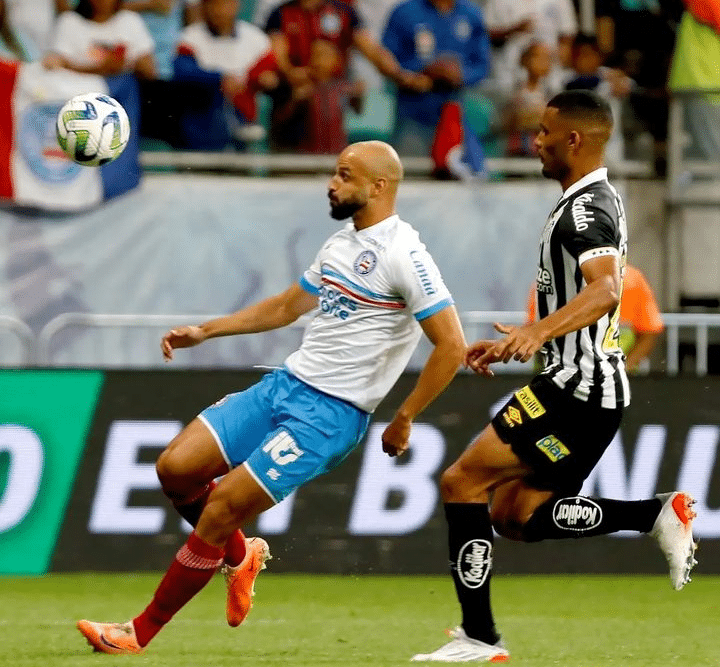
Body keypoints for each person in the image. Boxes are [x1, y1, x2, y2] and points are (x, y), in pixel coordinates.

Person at [75, 140, 467, 655]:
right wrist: (206, 331)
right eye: (333, 173)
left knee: (218, 512)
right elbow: (287, 305)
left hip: (329, 417)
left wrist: (406, 416)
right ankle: (241, 558)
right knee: (175, 468)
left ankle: (138, 632)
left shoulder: (406, 256)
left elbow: (452, 344)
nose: (332, 183)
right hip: (285, 385)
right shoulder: (340, 244)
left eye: (345, 176)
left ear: (379, 186)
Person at [411, 90, 697, 663]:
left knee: (460, 482)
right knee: (515, 517)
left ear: (574, 139)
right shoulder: (591, 199)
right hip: (585, 390)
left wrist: (538, 336)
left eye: (544, 133)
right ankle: (652, 514)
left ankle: (480, 637)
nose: (534, 141)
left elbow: (606, 290)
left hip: (575, 392)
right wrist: (525, 335)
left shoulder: (584, 209)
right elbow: (586, 296)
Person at [264, 0, 430, 150]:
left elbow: (372, 51)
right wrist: (303, 75)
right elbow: (279, 61)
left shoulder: (344, 13)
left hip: (332, 107)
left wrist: (400, 75)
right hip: (290, 112)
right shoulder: (281, 14)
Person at [381, 0, 491, 157]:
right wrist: (423, 69)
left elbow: (482, 65)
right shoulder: (405, 12)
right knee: (410, 174)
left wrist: (460, 73)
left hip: (456, 117)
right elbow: (387, 60)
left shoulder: (471, 14)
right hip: (413, 116)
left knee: (455, 172)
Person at [172, 0, 280, 149]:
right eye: (213, 4)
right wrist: (220, 79)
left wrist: (263, 79)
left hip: (243, 111)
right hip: (203, 115)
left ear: (236, 5)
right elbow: (183, 71)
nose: (218, 11)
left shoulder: (255, 37)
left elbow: (269, 74)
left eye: (224, 4)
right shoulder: (191, 36)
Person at [528, 262, 664, 373]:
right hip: (558, 380)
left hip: (612, 385)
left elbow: (649, 331)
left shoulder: (632, 280)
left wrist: (624, 368)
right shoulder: (552, 280)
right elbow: (534, 334)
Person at [272, 38, 364, 154]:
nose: (319, 62)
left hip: (337, 151)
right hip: (309, 152)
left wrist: (359, 95)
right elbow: (281, 120)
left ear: (337, 61)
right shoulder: (306, 89)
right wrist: (295, 101)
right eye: (316, 56)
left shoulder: (343, 87)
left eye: (325, 56)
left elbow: (358, 110)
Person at [43, 0, 156, 79]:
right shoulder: (69, 21)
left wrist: (125, 64)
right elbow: (54, 64)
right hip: (77, 88)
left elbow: (149, 71)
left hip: (121, 88)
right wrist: (101, 69)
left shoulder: (130, 20)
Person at [503, 40, 553, 157]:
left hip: (542, 150)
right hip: (518, 148)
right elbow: (511, 120)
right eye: (536, 57)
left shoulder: (551, 93)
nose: (541, 62)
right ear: (524, 60)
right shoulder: (516, 91)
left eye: (546, 58)